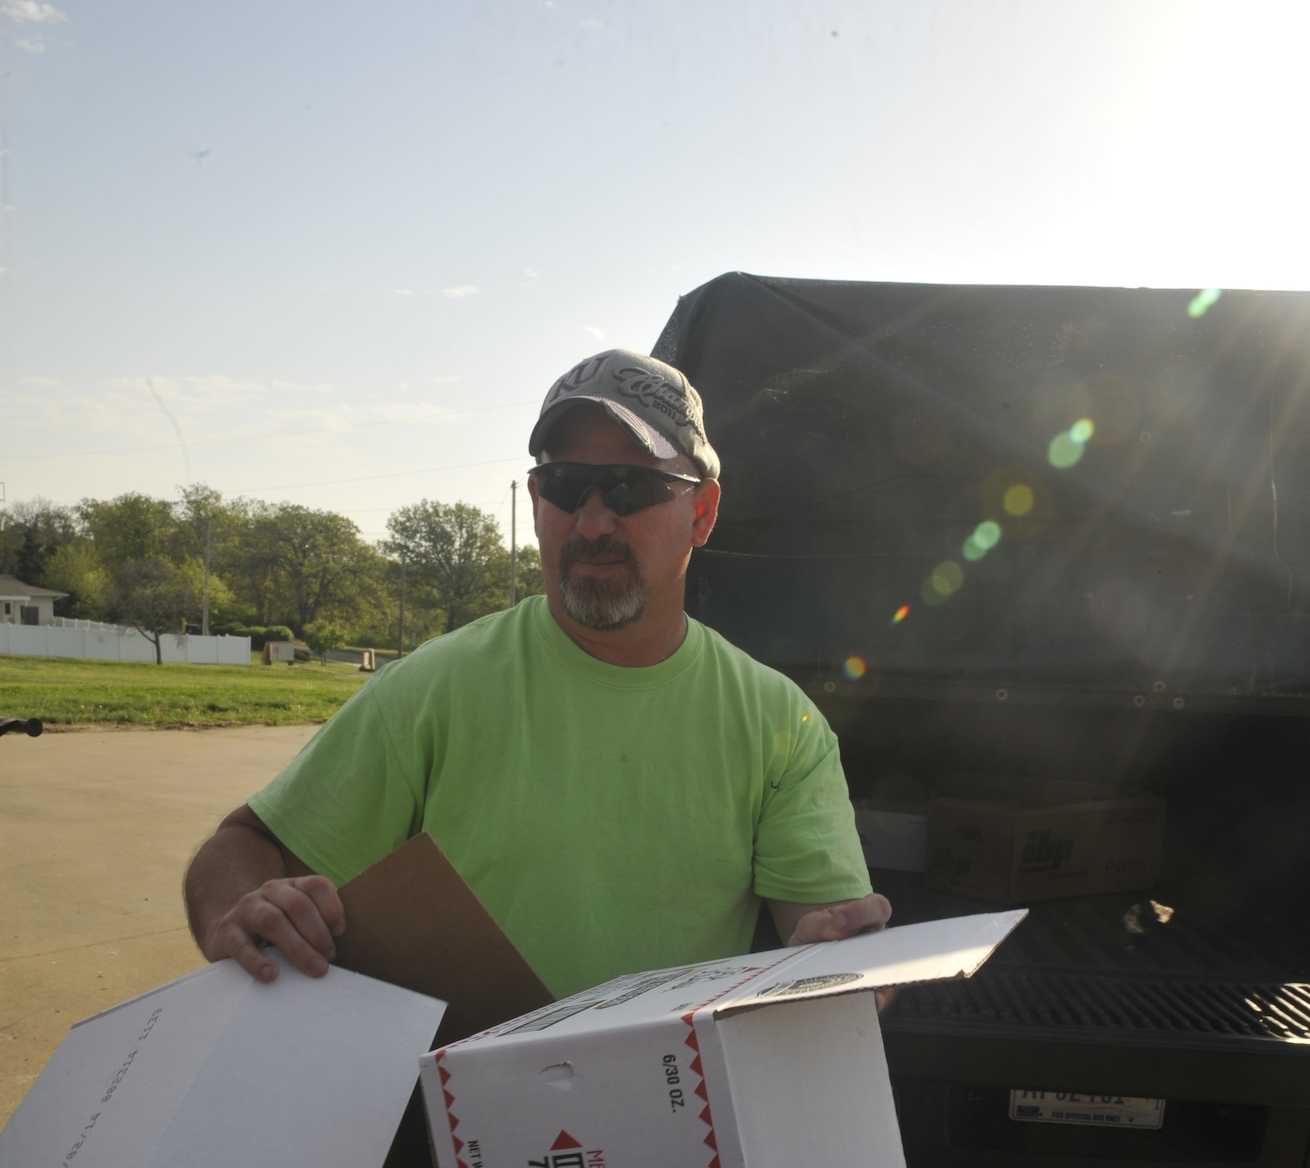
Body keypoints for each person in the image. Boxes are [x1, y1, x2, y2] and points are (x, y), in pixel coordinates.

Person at [184, 348, 890, 997]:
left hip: (664, 1112)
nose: (590, 523)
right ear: (534, 500)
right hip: (448, 1117)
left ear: (701, 511)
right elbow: (243, 848)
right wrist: (236, 911)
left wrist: (834, 965)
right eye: (564, 485)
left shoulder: (777, 723)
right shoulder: (436, 687)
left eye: (628, 488)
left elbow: (827, 934)